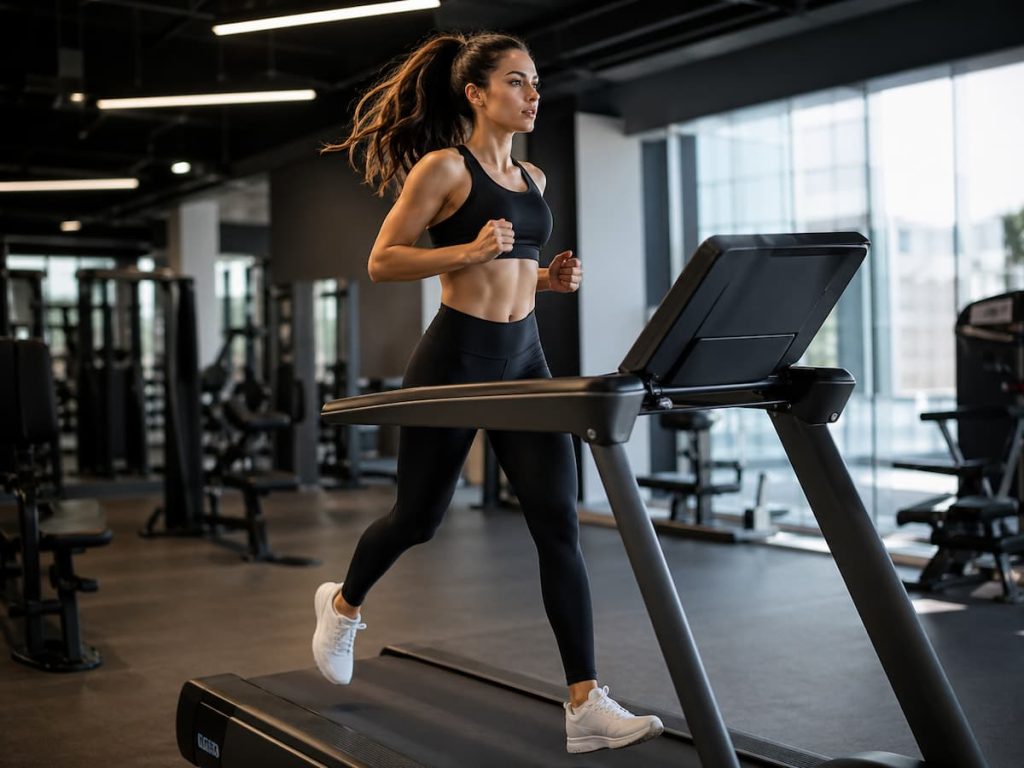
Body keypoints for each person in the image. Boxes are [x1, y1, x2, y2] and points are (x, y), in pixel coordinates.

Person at [312, 31, 664, 754]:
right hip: (455, 359)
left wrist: (548, 281)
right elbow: (383, 261)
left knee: (557, 523)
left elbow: (511, 271)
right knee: (418, 518)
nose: (532, 95)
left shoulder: (535, 180)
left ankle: (583, 702)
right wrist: (465, 250)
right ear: (476, 93)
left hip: (524, 358)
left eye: (535, 83)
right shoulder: (444, 168)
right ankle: (342, 605)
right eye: (516, 82)